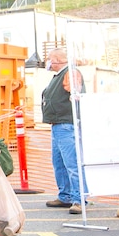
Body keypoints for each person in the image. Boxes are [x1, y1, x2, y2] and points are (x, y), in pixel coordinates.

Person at [41, 47, 85, 215]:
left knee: (72, 163)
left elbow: (75, 91)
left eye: (50, 59)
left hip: (66, 124)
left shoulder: (70, 72)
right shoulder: (61, 75)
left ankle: (78, 199)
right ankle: (66, 195)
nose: (48, 62)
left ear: (57, 60)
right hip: (59, 125)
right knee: (59, 163)